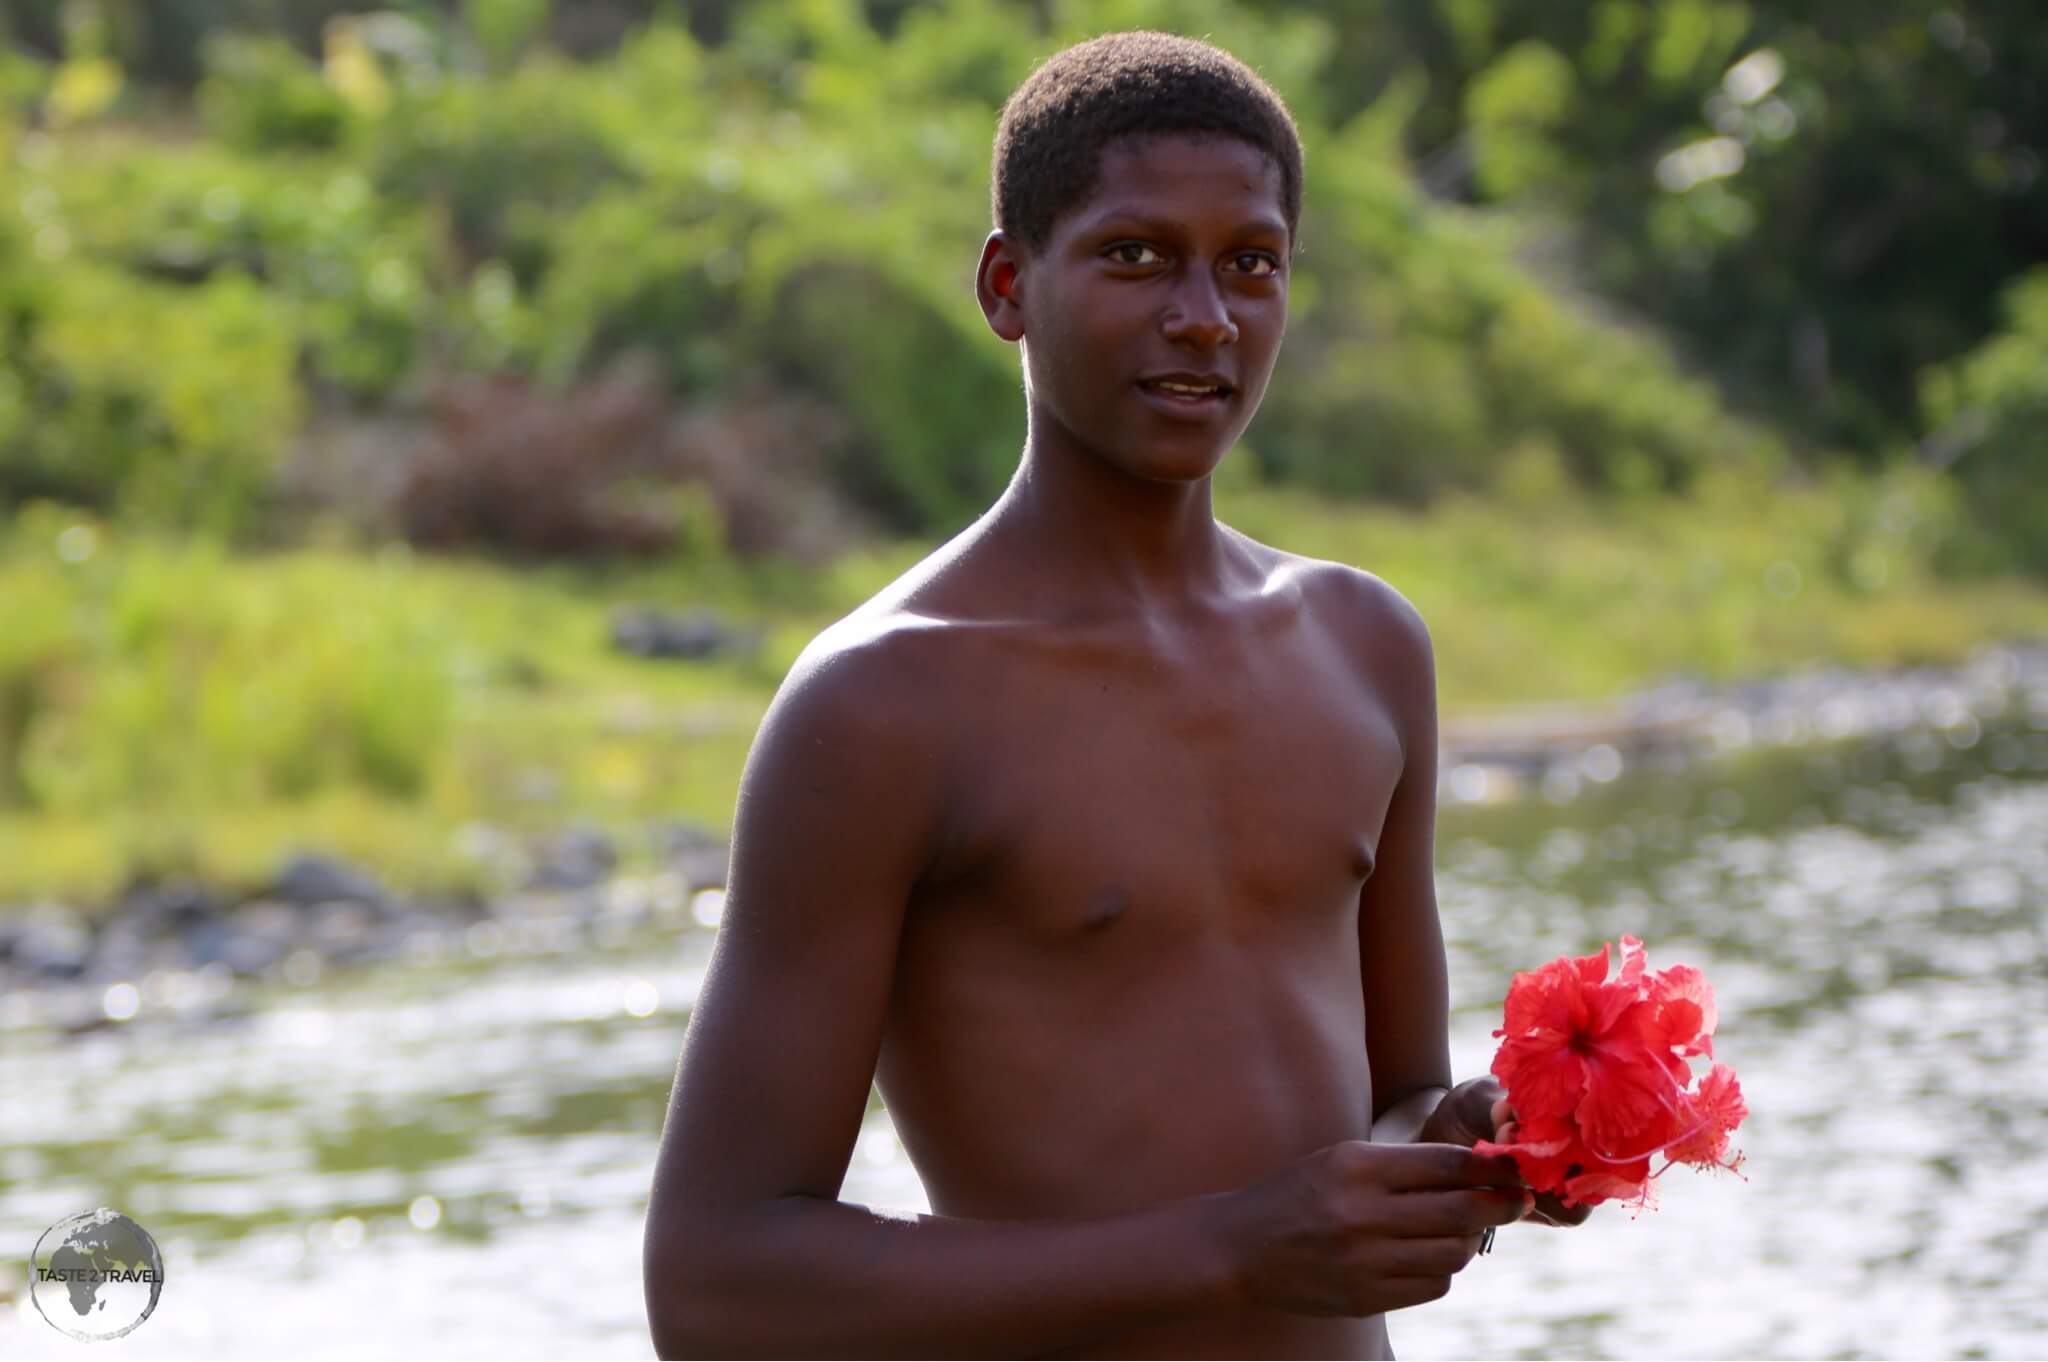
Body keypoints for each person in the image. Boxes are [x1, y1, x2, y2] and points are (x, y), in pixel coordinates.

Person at [643, 30, 1585, 1359]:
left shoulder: (1366, 646)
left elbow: (1394, 1097)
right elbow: (716, 1284)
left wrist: (1466, 1152)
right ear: (1008, 285)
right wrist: (1232, 1249)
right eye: (1136, 254)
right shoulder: (887, 703)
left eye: (1250, 262)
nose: (1203, 314)